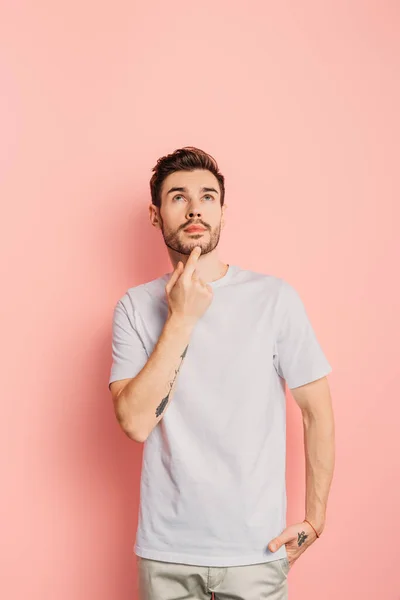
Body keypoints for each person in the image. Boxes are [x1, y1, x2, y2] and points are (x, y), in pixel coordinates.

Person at [108, 146, 335, 600]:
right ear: (156, 216)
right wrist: (181, 318)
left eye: (208, 197)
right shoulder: (134, 307)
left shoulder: (273, 299)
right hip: (167, 553)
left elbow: (317, 411)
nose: (195, 207)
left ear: (223, 212)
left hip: (255, 551)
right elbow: (135, 423)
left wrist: (315, 518)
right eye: (178, 197)